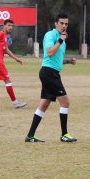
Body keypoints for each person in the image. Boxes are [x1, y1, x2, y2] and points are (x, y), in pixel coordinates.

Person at [25, 13, 77, 143]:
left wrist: (68, 61)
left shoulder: (62, 41)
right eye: (62, 23)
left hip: (52, 72)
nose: (64, 26)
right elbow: (49, 52)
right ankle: (64, 134)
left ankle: (30, 136)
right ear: (56, 24)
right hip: (48, 73)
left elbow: (55, 58)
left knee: (44, 104)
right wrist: (61, 40)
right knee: (65, 102)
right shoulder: (50, 35)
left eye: (66, 24)